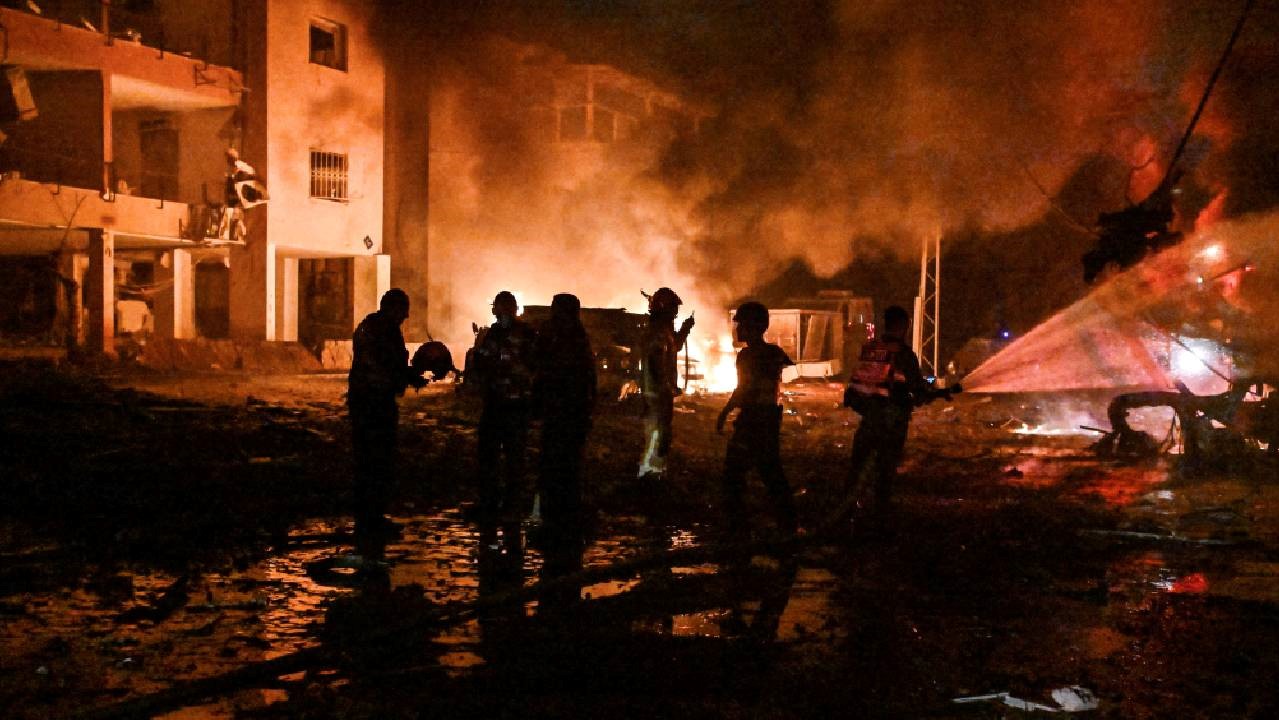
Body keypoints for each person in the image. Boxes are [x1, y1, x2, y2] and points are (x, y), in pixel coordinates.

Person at [347, 288, 425, 560]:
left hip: (373, 401)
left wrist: (409, 377)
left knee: (376, 462)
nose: (406, 315)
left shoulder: (378, 328)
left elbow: (391, 366)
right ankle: (369, 521)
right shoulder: (378, 330)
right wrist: (406, 377)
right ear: (392, 308)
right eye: (403, 309)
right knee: (373, 461)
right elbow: (380, 366)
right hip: (371, 403)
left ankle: (372, 518)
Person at [842, 304, 931, 525]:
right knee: (885, 472)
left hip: (868, 419)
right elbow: (918, 391)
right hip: (891, 424)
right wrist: (930, 394)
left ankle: (847, 514)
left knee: (857, 469)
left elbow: (860, 383)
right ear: (905, 326)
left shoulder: (870, 348)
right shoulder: (904, 354)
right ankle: (879, 520)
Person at [716, 301, 797, 537]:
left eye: (741, 324)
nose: (737, 329)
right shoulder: (774, 353)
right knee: (770, 471)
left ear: (753, 326)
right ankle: (787, 522)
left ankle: (739, 528)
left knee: (734, 475)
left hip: (753, 421)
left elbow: (743, 388)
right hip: (768, 419)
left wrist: (725, 411)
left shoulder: (747, 356)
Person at [531, 293, 596, 544]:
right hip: (565, 413)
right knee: (563, 466)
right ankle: (559, 518)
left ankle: (557, 519)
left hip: (566, 413)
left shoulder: (565, 339)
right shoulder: (571, 339)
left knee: (559, 466)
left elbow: (585, 378)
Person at [470, 291, 536, 522]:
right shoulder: (495, 333)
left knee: (512, 457)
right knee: (492, 456)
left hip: (513, 405)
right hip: (497, 403)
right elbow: (481, 363)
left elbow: (534, 365)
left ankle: (508, 505)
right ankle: (494, 503)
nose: (501, 312)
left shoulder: (525, 334)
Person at [636, 287, 694, 479]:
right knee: (659, 430)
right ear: (664, 308)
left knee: (659, 428)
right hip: (657, 391)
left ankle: (653, 469)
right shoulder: (658, 332)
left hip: (657, 390)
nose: (675, 313)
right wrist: (667, 386)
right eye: (673, 309)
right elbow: (656, 361)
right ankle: (651, 471)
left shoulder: (662, 329)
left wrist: (686, 328)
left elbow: (675, 345)